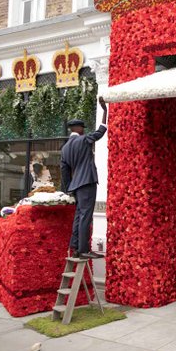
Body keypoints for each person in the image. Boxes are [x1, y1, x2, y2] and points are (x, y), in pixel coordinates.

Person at [60, 97, 108, 259]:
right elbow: (100, 132)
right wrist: (105, 111)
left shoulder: (65, 148)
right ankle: (83, 250)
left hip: (76, 185)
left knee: (79, 216)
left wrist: (68, 189)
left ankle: (75, 246)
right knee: (86, 216)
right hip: (87, 182)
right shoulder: (84, 139)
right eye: (82, 128)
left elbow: (64, 171)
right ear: (79, 128)